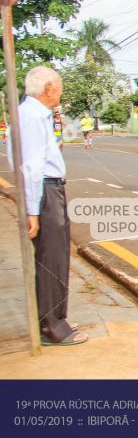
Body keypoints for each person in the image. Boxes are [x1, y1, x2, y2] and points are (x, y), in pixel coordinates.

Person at [6, 66, 88, 346]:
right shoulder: (30, 116)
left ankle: (57, 318)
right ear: (49, 88)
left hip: (49, 189)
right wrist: (32, 211)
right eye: (60, 86)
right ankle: (53, 327)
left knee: (57, 255)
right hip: (43, 192)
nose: (61, 91)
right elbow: (29, 167)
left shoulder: (36, 115)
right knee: (51, 259)